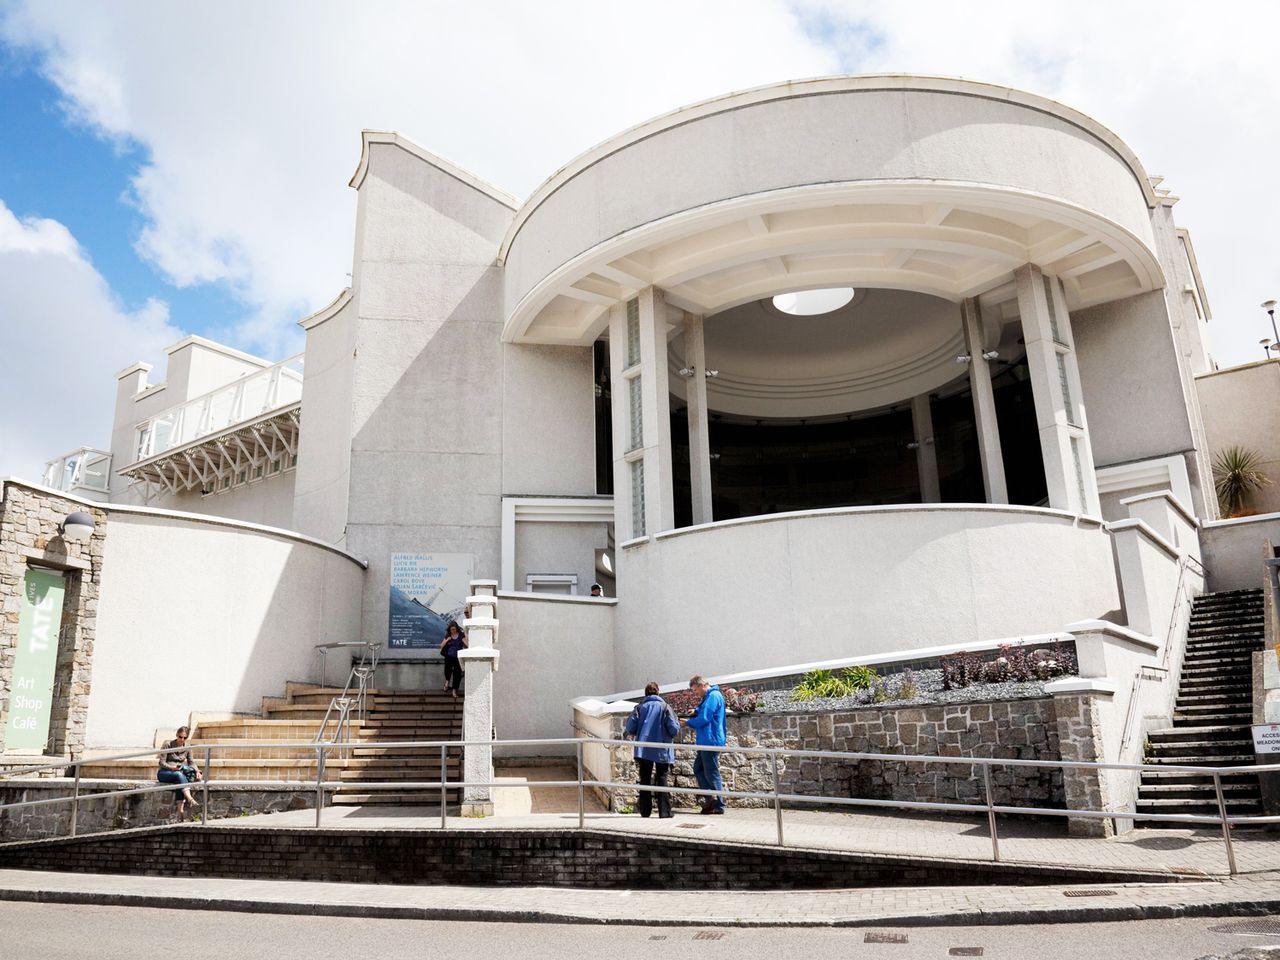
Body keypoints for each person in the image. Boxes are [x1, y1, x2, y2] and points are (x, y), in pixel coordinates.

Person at [623, 682, 679, 819]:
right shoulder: (665, 707)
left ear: (645, 693)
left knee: (645, 778)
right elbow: (674, 729)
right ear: (658, 691)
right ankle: (664, 812)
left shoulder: (640, 707)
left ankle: (645, 811)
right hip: (662, 748)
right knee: (662, 778)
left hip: (644, 749)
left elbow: (630, 728)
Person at [682, 675, 726, 814]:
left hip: (710, 740)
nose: (696, 693)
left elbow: (705, 717)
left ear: (701, 685)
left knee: (711, 772)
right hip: (706, 740)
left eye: (696, 690)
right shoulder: (710, 696)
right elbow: (705, 711)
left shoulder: (713, 696)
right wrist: (696, 711)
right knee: (699, 769)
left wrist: (688, 723)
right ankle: (711, 798)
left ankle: (719, 804)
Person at [157, 725, 201, 819]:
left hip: (178, 773)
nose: (182, 739)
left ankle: (180, 811)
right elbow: (161, 762)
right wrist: (172, 768)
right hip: (164, 773)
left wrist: (197, 771)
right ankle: (190, 799)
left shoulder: (187, 747)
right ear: (177, 735)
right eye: (180, 737)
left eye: (185, 738)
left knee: (179, 781)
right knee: (179, 775)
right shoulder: (168, 744)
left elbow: (191, 762)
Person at [439, 619, 467, 698]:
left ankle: (454, 690)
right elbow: (441, 646)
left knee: (457, 674)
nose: (453, 631)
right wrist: (447, 640)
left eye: (454, 629)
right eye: (451, 630)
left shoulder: (461, 635)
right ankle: (447, 682)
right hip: (449, 656)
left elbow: (467, 644)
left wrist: (465, 641)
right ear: (449, 629)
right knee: (447, 671)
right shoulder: (448, 635)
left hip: (458, 657)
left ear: (457, 628)